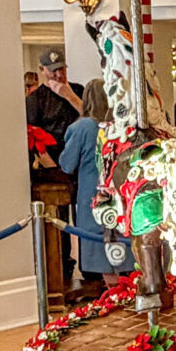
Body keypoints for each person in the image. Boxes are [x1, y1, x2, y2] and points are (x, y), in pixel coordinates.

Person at [59, 82, 131, 286]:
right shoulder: (122, 125)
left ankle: (115, 292)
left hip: (94, 196)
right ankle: (128, 290)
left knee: (100, 248)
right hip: (121, 193)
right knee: (123, 242)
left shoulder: (81, 128)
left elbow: (67, 164)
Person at [27, 48, 82, 140]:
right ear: (42, 69)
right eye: (53, 70)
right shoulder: (36, 98)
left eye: (61, 69)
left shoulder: (78, 90)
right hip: (53, 147)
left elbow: (93, 119)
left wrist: (70, 96)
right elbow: (33, 135)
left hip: (78, 145)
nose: (59, 74)